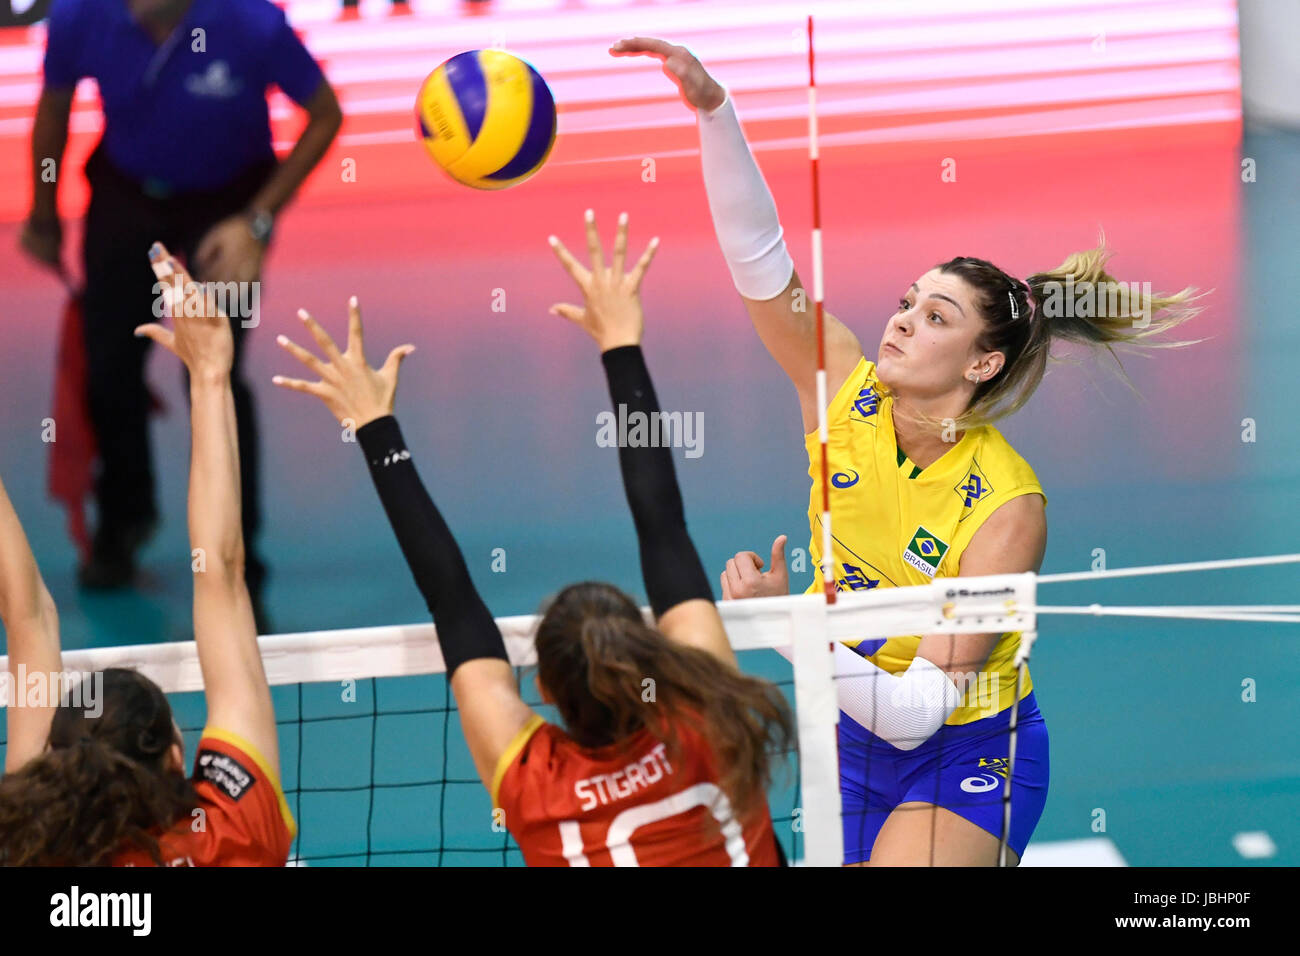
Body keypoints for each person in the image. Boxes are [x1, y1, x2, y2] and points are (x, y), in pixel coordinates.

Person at [612, 37, 1200, 865]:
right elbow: (759, 261)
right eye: (906, 301)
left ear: (981, 362)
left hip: (967, 752)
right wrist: (716, 112)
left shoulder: (1008, 506)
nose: (900, 320)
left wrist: (789, 622)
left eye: (935, 317)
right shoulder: (838, 387)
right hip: (849, 737)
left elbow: (921, 708)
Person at [272, 211, 793, 866]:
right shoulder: (710, 719)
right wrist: (621, 343)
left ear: (544, 689)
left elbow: (452, 602)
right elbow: (662, 526)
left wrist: (376, 429)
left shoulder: (533, 784)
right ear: (653, 654)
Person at [20, 0, 342, 620]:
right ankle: (123, 523)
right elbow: (54, 108)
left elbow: (325, 116)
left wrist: (258, 221)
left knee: (216, 375)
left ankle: (239, 547)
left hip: (228, 207)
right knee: (109, 369)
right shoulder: (78, 15)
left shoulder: (252, 22)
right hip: (125, 199)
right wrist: (42, 211)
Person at [0, 245, 294, 866]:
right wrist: (211, 375)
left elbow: (30, 620)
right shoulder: (239, 830)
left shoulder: (28, 851)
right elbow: (221, 573)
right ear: (175, 756)